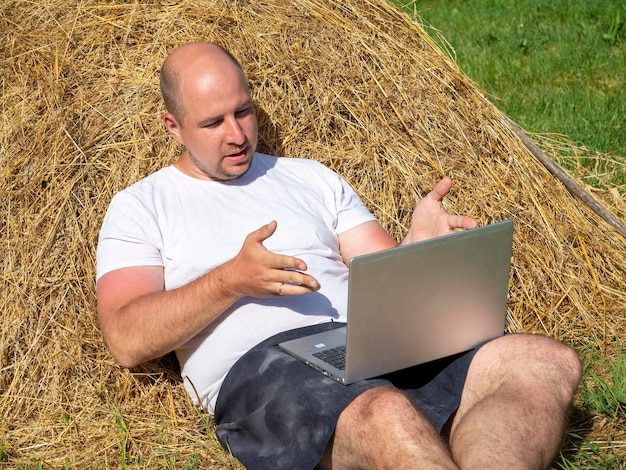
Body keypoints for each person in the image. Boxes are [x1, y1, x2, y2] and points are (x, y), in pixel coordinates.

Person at [96, 41, 581, 469]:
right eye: (212, 122)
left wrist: (418, 248)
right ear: (173, 126)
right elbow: (125, 337)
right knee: (384, 412)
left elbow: (382, 273)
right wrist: (231, 281)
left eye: (242, 111)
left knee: (540, 360)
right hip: (266, 369)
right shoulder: (142, 205)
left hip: (368, 341)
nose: (237, 134)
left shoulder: (310, 176)